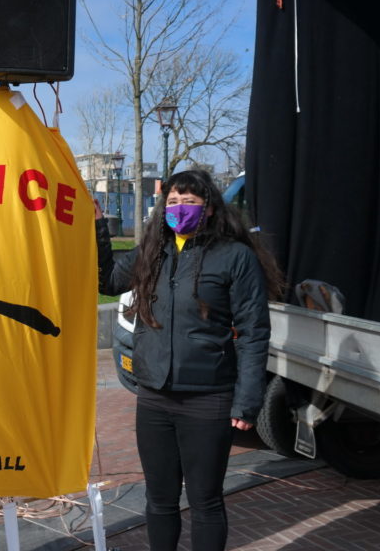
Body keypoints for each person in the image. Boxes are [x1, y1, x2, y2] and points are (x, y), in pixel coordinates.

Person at [96, 169, 283, 551]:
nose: (180, 208)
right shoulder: (153, 252)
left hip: (207, 398)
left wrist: (247, 401)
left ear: (210, 208)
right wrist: (98, 227)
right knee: (159, 499)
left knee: (205, 501)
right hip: (155, 397)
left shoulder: (235, 257)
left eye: (189, 201)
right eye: (173, 201)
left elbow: (253, 333)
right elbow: (107, 281)